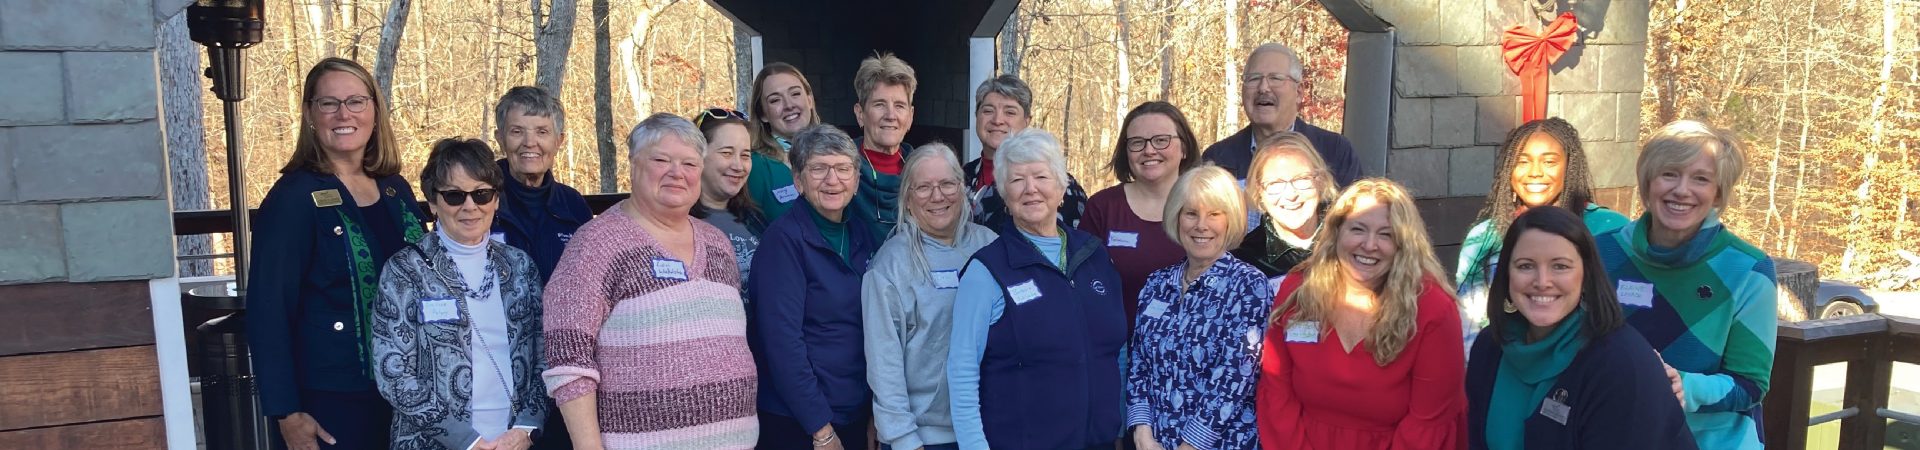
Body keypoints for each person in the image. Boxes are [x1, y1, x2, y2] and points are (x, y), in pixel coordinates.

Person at [542, 114, 758, 449]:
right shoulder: (596, 243)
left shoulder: (718, 244)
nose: (677, 172)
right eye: (661, 160)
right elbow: (569, 360)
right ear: (633, 164)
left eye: (689, 163)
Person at [247, 57, 427, 450]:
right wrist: (286, 411)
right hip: (332, 399)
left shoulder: (396, 188)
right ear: (311, 114)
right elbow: (268, 309)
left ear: (375, 111)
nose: (343, 114)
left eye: (356, 101)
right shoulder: (292, 199)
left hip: (411, 390)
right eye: (328, 103)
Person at [1594, 120, 1775, 450]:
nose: (1682, 189)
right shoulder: (1599, 251)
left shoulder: (1749, 269)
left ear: (1718, 192)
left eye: (1701, 179)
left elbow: (1750, 385)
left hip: (1711, 442)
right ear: (1648, 181)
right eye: (1669, 174)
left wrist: (1685, 388)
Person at [949, 129, 1128, 450]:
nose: (1031, 189)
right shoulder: (987, 271)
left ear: (1062, 187)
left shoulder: (1095, 255)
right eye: (1017, 180)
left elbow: (1117, 351)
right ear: (1004, 194)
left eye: (1042, 176)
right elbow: (962, 372)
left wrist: (1118, 423)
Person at [1257, 179, 1468, 450]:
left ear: (1404, 244)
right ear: (1336, 233)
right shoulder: (1299, 290)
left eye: (1386, 234)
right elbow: (1276, 391)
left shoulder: (1432, 309)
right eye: (1358, 229)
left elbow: (1429, 422)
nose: (1369, 245)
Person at [1465, 206, 1697, 450]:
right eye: (1525, 266)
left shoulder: (1621, 363)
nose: (1542, 281)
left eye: (1560, 266)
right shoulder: (1490, 346)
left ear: (1586, 276)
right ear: (1506, 274)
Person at [373, 138, 548, 450]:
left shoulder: (520, 266)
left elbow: (544, 357)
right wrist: (467, 441)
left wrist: (526, 428)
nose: (470, 206)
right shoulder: (404, 272)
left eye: (481, 194)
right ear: (433, 203)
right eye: (454, 195)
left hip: (514, 442)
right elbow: (393, 373)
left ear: (495, 200)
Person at [749, 124, 880, 450]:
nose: (832, 180)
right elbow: (782, 344)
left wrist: (873, 411)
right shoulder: (783, 242)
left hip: (852, 408)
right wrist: (819, 428)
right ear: (798, 180)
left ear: (856, 179)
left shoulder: (860, 234)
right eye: (819, 168)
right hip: (800, 421)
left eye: (842, 168)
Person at [861, 142, 998, 450]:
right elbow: (884, 362)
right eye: (923, 187)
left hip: (987, 429)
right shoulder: (891, 265)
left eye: (947, 184)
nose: (938, 196)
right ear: (908, 199)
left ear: (963, 189)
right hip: (925, 438)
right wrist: (903, 438)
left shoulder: (991, 247)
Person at [1125, 165, 1272, 450]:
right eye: (1191, 213)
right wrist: (1142, 430)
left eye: (1214, 214)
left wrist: (1191, 445)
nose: (1201, 225)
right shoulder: (1157, 284)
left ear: (1231, 220)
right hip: (1155, 442)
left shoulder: (1249, 286)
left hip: (1223, 443)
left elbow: (1236, 377)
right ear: (1177, 218)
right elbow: (1139, 363)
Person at [1457, 118, 1629, 354]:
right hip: (1506, 363)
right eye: (1522, 161)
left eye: (1549, 161)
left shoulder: (1611, 230)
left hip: (1589, 366)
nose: (1535, 173)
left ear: (1569, 167)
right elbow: (1469, 324)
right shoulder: (1484, 238)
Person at [1081, 101, 1202, 334]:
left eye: (1161, 140)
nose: (1149, 150)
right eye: (1137, 143)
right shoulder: (1102, 208)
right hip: (1119, 350)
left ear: (1184, 147)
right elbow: (1085, 286)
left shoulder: (1207, 206)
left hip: (1192, 353)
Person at [1200, 43, 1361, 186]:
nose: (1263, 88)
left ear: (1298, 92)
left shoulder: (1335, 152)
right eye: (1254, 79)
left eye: (1275, 78)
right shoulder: (1218, 158)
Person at [489, 86, 592, 285]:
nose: (530, 142)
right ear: (500, 139)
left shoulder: (573, 205)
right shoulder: (478, 199)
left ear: (558, 141)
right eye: (517, 131)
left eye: (542, 132)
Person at [965, 74, 1090, 229]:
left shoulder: (1057, 184)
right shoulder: (961, 177)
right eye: (988, 111)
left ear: (1027, 121)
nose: (997, 120)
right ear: (976, 116)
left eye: (1010, 112)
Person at [1231, 132, 1337, 290]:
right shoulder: (1245, 262)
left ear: (1320, 180)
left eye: (1302, 179)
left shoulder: (1347, 240)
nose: (1291, 195)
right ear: (1259, 190)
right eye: (1275, 184)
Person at [693, 107, 765, 292]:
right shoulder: (678, 223)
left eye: (745, 155)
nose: (738, 165)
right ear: (697, 155)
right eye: (726, 153)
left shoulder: (755, 219)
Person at [743, 62, 823, 230]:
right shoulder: (756, 166)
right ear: (763, 114)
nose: (789, 105)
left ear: (809, 100)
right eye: (775, 100)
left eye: (795, 94)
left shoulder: (835, 155)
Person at [850, 53, 919, 240]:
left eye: (899, 106)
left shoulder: (924, 171)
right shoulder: (840, 172)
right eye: (879, 104)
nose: (890, 115)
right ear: (860, 113)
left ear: (910, 116)